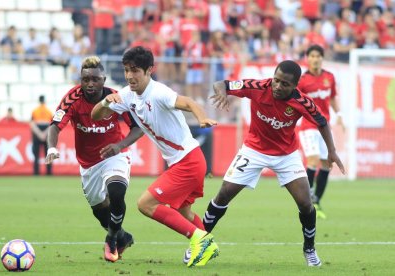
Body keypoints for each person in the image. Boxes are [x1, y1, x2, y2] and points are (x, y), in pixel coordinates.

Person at [202, 60, 345, 267]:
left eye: (284, 84)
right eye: (276, 80)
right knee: (224, 193)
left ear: (295, 85)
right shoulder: (257, 87)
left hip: (286, 155)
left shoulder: (302, 102)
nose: (277, 86)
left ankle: (309, 249)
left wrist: (331, 151)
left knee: (306, 203)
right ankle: (199, 242)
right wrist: (223, 92)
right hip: (254, 150)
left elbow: (322, 122)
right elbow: (221, 83)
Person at [91, 46, 219, 267]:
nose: (130, 76)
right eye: (126, 70)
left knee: (145, 204)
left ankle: (199, 239)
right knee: (184, 212)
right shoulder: (126, 95)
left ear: (149, 70)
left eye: (135, 70)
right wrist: (105, 102)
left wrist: (202, 118)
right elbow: (95, 115)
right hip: (186, 161)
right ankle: (207, 243)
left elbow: (189, 102)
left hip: (188, 161)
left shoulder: (159, 92)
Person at [45, 56, 143, 262]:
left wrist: (119, 146)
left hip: (114, 154)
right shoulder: (72, 98)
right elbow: (54, 126)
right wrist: (51, 147)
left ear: (104, 79)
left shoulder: (116, 97)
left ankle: (111, 238)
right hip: (88, 164)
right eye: (86, 79)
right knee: (101, 213)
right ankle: (121, 236)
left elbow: (137, 128)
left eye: (95, 79)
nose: (90, 84)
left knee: (116, 192)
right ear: (80, 80)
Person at [298, 45, 345, 219]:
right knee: (313, 159)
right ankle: (307, 201)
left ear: (322, 58)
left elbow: (332, 97)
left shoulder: (329, 77)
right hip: (309, 126)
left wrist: (339, 114)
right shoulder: (302, 80)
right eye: (312, 56)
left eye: (318, 55)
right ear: (307, 58)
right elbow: (295, 102)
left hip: (325, 127)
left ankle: (316, 201)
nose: (315, 59)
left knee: (327, 163)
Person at [30, 95, 53, 176]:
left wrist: (39, 133)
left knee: (36, 154)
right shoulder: (48, 111)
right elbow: (51, 124)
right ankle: (49, 173)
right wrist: (44, 133)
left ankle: (36, 173)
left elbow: (32, 123)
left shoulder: (35, 111)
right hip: (46, 130)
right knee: (48, 153)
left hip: (37, 131)